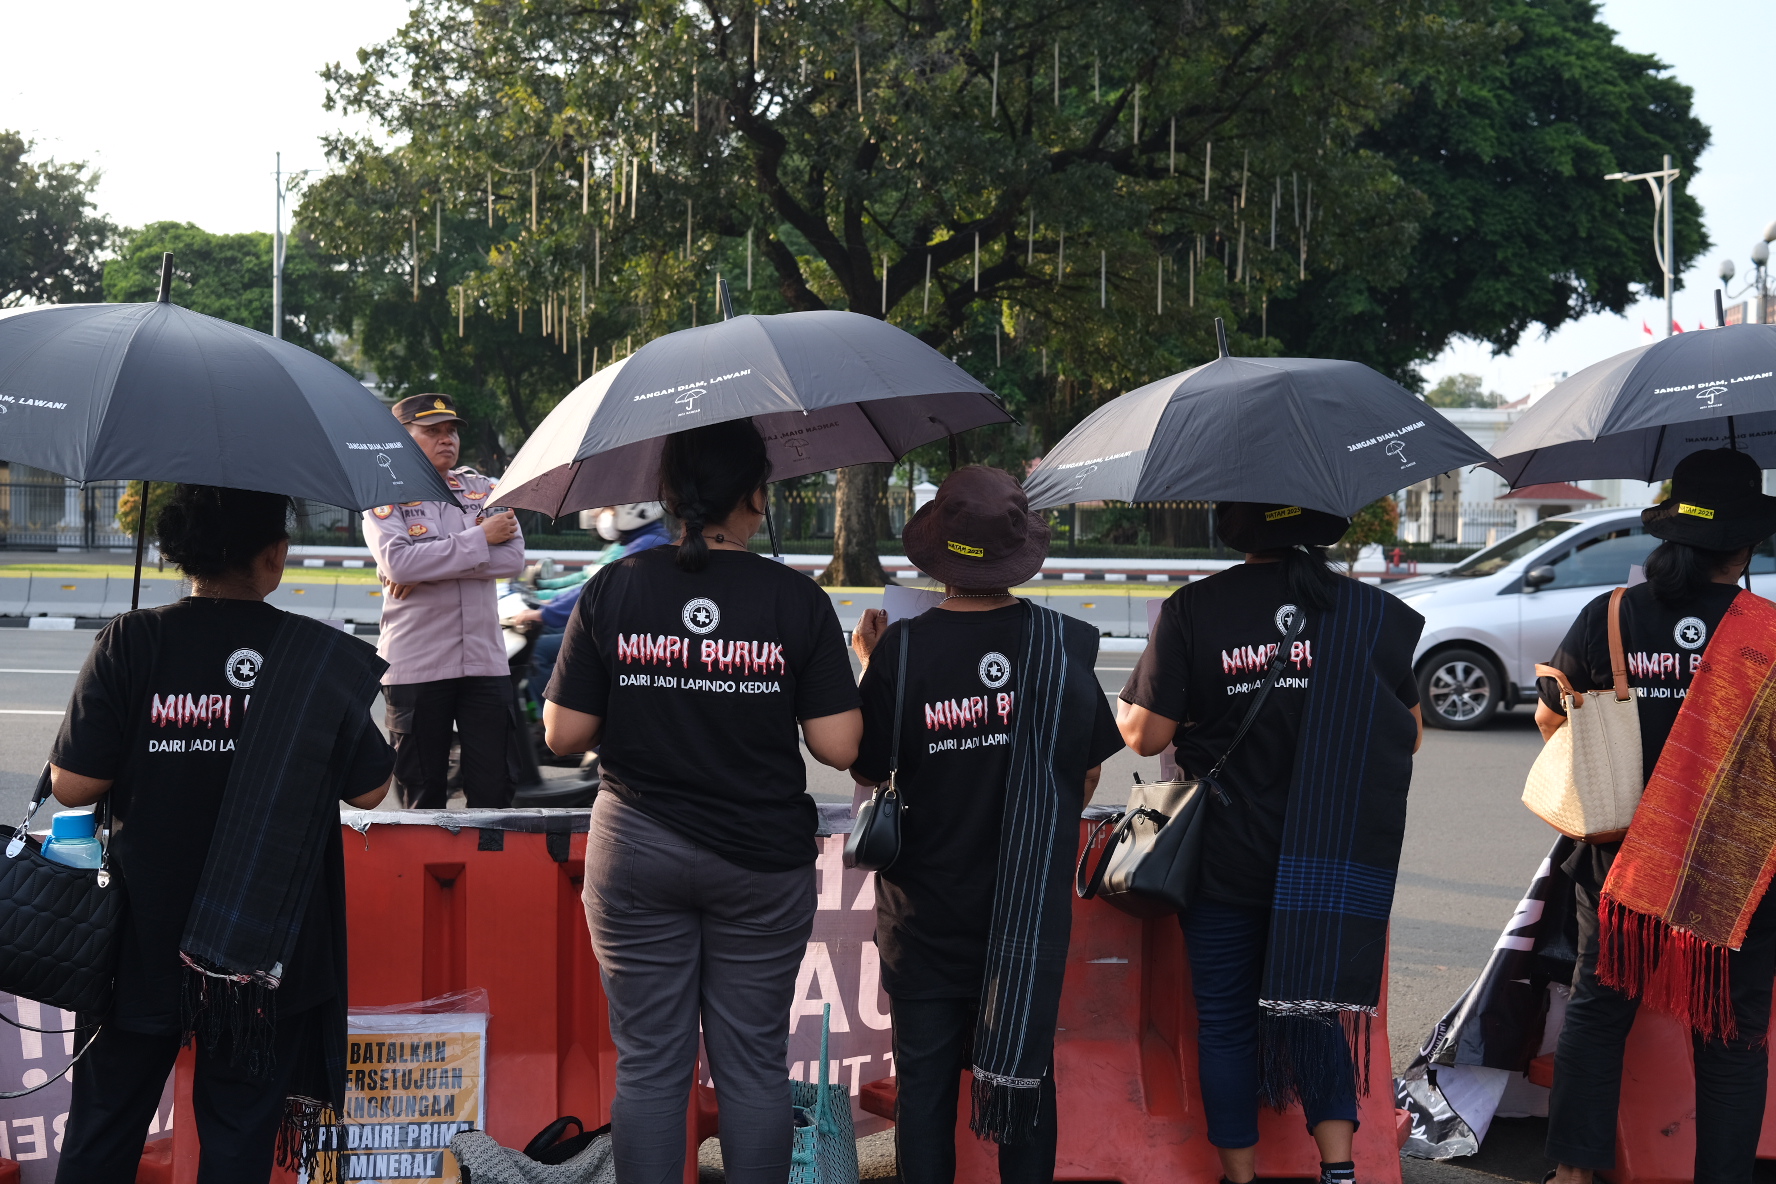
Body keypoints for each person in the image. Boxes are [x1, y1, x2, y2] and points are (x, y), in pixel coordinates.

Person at [541, 419, 862, 1184]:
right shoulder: (795, 600)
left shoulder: (616, 587)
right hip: (760, 862)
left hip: (637, 851)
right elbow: (840, 748)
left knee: (651, 1064)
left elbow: (562, 733)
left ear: (668, 495)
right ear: (756, 495)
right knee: (752, 1062)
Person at [49, 485, 394, 1183]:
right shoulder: (313, 659)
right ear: (275, 555)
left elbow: (72, 785)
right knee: (239, 1141)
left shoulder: (133, 639)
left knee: (104, 1128)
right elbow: (370, 787)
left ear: (183, 554)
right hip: (263, 944)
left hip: (138, 934)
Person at [1117, 503, 1424, 1184]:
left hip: (1224, 853)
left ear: (1236, 529)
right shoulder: (1367, 612)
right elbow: (1411, 731)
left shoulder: (1196, 609)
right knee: (1315, 1013)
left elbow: (1145, 737)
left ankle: (1241, 1176)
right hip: (1331, 858)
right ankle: (1339, 1172)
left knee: (1225, 1023)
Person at [848, 466, 1125, 1182]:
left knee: (926, 1094)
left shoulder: (900, 653)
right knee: (1025, 1085)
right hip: (1026, 921)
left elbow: (871, 772)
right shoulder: (1061, 645)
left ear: (938, 552)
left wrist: (873, 665)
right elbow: (1085, 775)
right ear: (1017, 552)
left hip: (923, 920)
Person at [1538, 449, 1776, 1184]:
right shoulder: (1766, 633)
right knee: (1731, 1034)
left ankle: (1575, 1174)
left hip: (1620, 856)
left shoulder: (1609, 614)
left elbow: (1552, 721)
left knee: (1598, 1011)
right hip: (1730, 868)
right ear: (1744, 547)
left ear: (1670, 534)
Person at [363, 392, 525, 808]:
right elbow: (399, 564)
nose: (446, 439)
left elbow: (511, 559)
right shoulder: (384, 495)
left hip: (485, 664)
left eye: (451, 430)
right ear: (400, 439)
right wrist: (477, 540)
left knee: (495, 794)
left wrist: (426, 565)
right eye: (432, 431)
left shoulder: (483, 489)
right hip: (416, 664)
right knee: (422, 796)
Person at [517, 502, 670, 713]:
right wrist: (549, 605)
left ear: (631, 511)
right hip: (619, 630)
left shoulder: (644, 546)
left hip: (623, 636)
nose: (600, 515)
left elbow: (596, 590)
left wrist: (546, 613)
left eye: (608, 509)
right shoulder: (640, 542)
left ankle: (551, 720)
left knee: (539, 651)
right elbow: (590, 582)